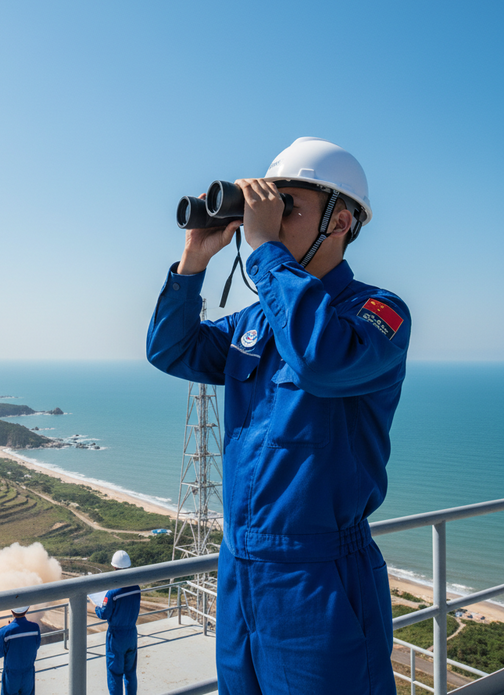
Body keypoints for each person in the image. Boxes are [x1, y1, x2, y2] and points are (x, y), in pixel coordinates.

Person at [147, 137, 410, 695]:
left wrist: (265, 252)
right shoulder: (255, 322)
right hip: (241, 568)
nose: (267, 217)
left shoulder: (376, 314)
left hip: (319, 580)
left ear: (339, 221)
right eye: (264, 203)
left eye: (287, 205)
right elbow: (171, 350)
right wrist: (194, 258)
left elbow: (318, 358)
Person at [95, 550, 141, 695]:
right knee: (130, 672)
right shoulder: (136, 588)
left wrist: (97, 607)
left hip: (116, 636)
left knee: (115, 673)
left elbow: (104, 614)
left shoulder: (112, 593)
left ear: (114, 567)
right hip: (132, 633)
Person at [0, 605, 42, 695]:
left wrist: (1, 634)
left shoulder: (5, 631)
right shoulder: (35, 628)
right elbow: (36, 645)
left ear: (12, 612)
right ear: (27, 610)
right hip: (28, 672)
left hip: (12, 675)